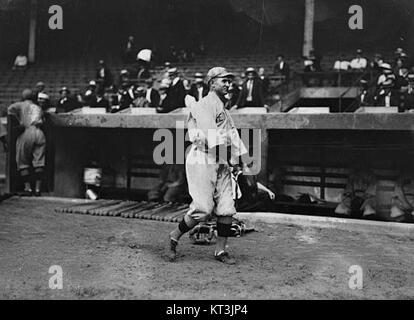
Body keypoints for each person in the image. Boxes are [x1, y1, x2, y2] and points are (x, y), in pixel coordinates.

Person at [164, 67, 248, 264]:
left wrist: (241, 162)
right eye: (224, 81)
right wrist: (230, 160)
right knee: (203, 208)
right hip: (202, 158)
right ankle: (173, 237)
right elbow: (213, 137)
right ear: (212, 83)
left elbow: (233, 137)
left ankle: (220, 251)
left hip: (222, 159)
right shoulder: (203, 105)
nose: (229, 84)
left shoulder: (224, 110)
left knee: (227, 208)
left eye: (230, 81)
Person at [8, 89, 46, 196]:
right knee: (39, 162)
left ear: (23, 96)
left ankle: (28, 188)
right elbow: (43, 120)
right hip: (39, 132)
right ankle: (38, 189)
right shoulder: (38, 107)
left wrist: (18, 120)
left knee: (22, 161)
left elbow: (9, 110)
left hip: (27, 131)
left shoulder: (20, 104)